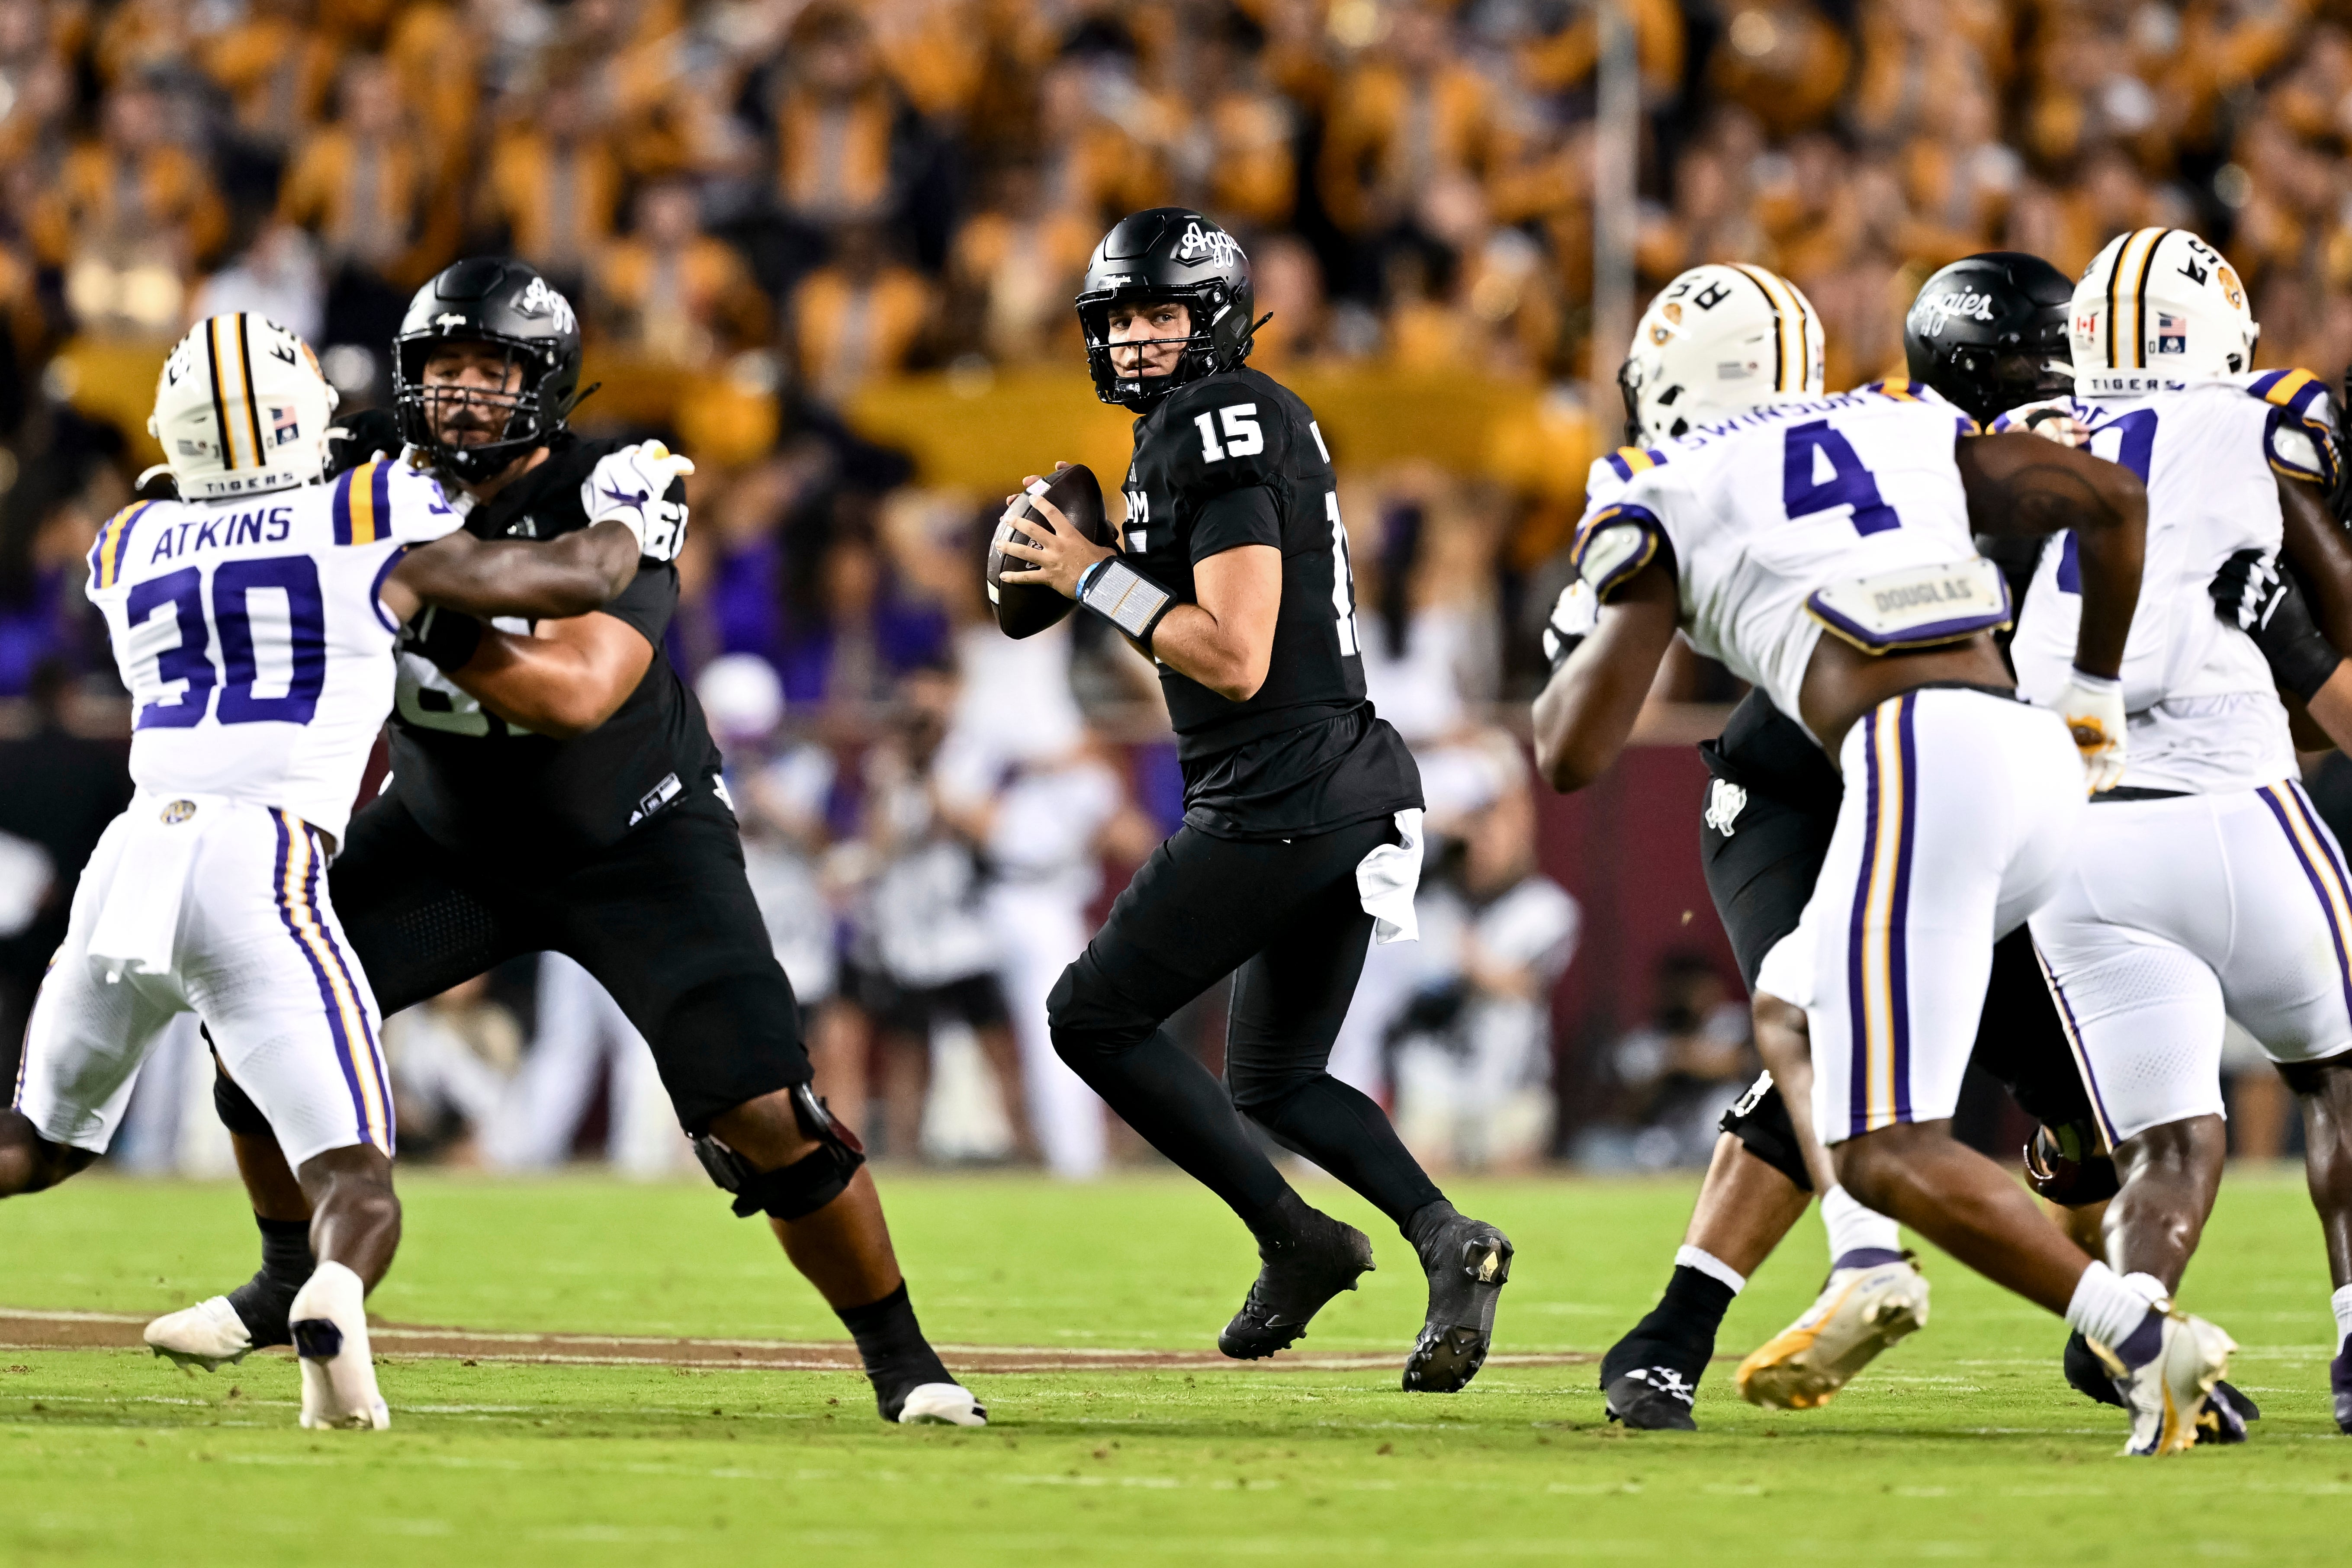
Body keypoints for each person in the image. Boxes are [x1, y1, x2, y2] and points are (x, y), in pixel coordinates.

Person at [141, 261, 984, 1428]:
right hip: (451, 838)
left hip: (633, 837)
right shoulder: (359, 478)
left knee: (767, 1115)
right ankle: (291, 1278)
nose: (466, 397)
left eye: (494, 372)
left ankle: (906, 1365)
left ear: (545, 386)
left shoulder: (614, 488)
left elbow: (583, 690)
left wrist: (419, 608)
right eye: (443, 371)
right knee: (253, 1013)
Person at [1533, 259, 2236, 1458]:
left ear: (1668, 386)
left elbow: (1571, 754)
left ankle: (2130, 1339)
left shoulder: (1668, 478)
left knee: (1884, 1143)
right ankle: (1894, 1270)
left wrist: (1601, 609)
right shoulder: (1897, 418)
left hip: (1912, 759)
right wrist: (2094, 700)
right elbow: (2113, 501)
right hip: (2029, 765)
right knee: (1795, 1002)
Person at [3, 311, 645, 1428]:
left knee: (35, 1144)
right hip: (263, 859)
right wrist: (636, 525)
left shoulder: (124, 542)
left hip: (136, 854)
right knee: (354, 1180)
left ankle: (324, 1344)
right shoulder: (364, 511)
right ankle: (333, 1304)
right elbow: (561, 581)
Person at [996, 207, 1513, 1391]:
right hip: (1335, 780)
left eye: (1160, 313)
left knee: (1092, 1016)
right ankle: (1448, 1240)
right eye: (1119, 317)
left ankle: (1299, 1238)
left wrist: (1089, 577)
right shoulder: (1203, 426)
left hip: (1284, 789)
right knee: (1274, 1078)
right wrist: (1109, 581)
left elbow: (1228, 653)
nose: (1134, 338)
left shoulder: (1214, 420)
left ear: (1214, 318)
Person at [1998, 228, 2352, 1436]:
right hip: (2230, 811)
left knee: (2167, 1140)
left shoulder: (2026, 436)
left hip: (2076, 842)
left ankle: (2138, 1324)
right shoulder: (2255, 408)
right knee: (2341, 1080)